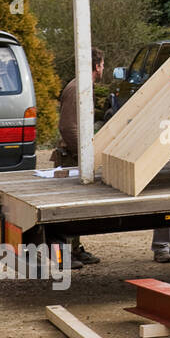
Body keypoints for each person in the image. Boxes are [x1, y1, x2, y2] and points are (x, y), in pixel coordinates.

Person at [54, 48, 104, 269]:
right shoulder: (77, 88)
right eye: (102, 64)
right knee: (66, 211)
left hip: (75, 156)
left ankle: (74, 250)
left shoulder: (83, 86)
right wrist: (85, 155)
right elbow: (67, 127)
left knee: (75, 210)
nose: (104, 69)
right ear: (96, 66)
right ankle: (62, 256)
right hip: (71, 158)